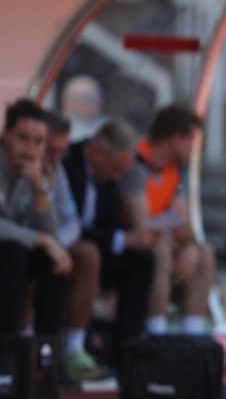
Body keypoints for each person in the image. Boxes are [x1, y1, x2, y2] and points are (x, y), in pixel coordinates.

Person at [63, 120, 157, 372]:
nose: (117, 178)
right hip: (66, 247)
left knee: (142, 259)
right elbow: (69, 222)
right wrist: (120, 239)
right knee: (89, 254)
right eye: (116, 169)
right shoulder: (66, 162)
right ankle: (72, 349)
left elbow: (108, 223)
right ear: (97, 152)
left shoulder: (109, 177)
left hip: (98, 247)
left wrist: (129, 239)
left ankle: (128, 353)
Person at [120, 105, 213, 336]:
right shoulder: (135, 163)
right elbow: (140, 224)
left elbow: (183, 224)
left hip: (160, 240)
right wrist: (173, 236)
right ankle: (156, 336)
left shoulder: (172, 171)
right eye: (190, 139)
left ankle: (193, 336)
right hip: (125, 246)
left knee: (204, 253)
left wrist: (191, 246)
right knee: (160, 249)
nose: (194, 147)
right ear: (175, 139)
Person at [42, 112, 106, 381]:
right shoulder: (20, 169)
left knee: (87, 254)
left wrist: (58, 243)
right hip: (25, 243)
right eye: (51, 150)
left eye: (62, 151)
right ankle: (25, 346)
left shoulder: (58, 171)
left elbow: (72, 219)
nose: (56, 157)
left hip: (51, 243)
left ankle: (72, 348)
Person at [0, 99, 71, 338]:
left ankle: (44, 355)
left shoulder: (35, 173)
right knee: (13, 252)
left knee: (54, 262)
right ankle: (6, 359)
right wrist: (41, 239)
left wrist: (39, 187)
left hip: (15, 251)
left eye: (38, 142)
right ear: (6, 134)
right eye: (23, 138)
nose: (30, 149)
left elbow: (52, 232)